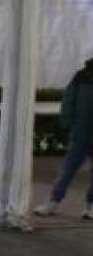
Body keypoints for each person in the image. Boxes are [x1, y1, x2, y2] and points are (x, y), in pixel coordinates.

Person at [34, 58, 93, 220]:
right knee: (66, 170)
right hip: (80, 134)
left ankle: (91, 206)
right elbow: (68, 99)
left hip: (81, 132)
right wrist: (68, 122)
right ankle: (52, 202)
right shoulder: (81, 77)